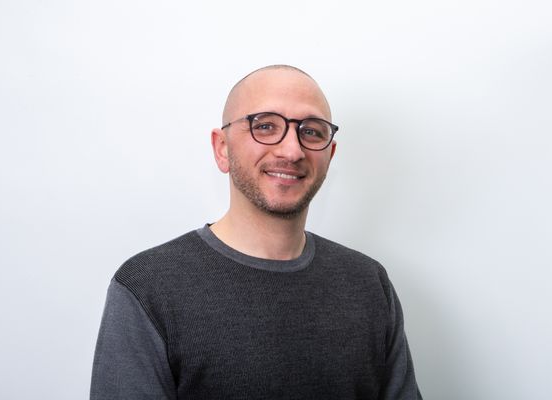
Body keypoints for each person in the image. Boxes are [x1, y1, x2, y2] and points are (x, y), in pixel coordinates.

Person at [90, 65, 423, 399]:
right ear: (222, 148)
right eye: (265, 126)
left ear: (329, 154)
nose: (292, 151)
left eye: (311, 131)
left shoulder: (368, 283)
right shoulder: (148, 287)